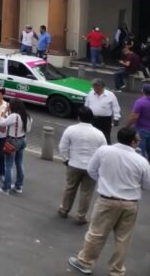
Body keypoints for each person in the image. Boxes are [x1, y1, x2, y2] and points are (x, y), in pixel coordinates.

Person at [68, 127, 150, 276]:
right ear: (133, 142)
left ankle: (85, 262)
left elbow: (92, 170)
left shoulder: (104, 151)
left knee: (97, 234)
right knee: (123, 238)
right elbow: (147, 185)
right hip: (130, 203)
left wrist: (106, 181)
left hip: (107, 200)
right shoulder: (142, 161)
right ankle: (117, 270)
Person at [58, 107, 108, 225]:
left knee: (70, 188)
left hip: (74, 164)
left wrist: (66, 159)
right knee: (86, 192)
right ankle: (81, 216)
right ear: (92, 118)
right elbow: (104, 151)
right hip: (91, 168)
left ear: (79, 117)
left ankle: (64, 209)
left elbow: (62, 147)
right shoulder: (99, 133)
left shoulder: (71, 129)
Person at [0, 99, 31, 195]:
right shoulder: (27, 116)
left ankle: (6, 188)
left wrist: (2, 115)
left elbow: (1, 123)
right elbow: (28, 129)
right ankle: (18, 186)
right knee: (19, 163)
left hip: (12, 141)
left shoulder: (14, 116)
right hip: (22, 140)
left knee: (8, 165)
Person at [84, 78, 120, 143]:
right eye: (94, 86)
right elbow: (86, 105)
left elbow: (115, 107)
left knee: (105, 137)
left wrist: (116, 118)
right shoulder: (90, 93)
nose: (95, 88)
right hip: (92, 119)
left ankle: (106, 151)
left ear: (102, 86)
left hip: (105, 121)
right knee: (92, 136)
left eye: (97, 86)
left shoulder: (110, 95)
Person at [128, 82, 150, 161]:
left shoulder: (140, 102)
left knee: (141, 151)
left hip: (142, 129)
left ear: (143, 91)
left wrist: (127, 126)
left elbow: (134, 116)